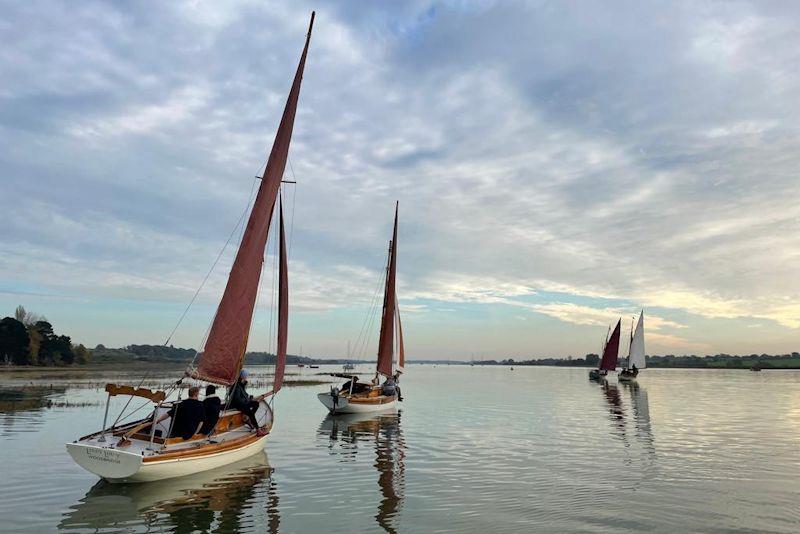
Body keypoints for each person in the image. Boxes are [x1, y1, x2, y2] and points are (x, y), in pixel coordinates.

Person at [229, 369, 266, 436]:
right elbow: (237, 399)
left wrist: (250, 398)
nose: (246, 378)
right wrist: (247, 401)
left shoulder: (241, 384)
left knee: (256, 404)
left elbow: (244, 394)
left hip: (243, 403)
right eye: (246, 376)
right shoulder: (236, 385)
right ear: (243, 376)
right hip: (238, 404)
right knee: (250, 412)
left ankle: (248, 419)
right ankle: (258, 430)